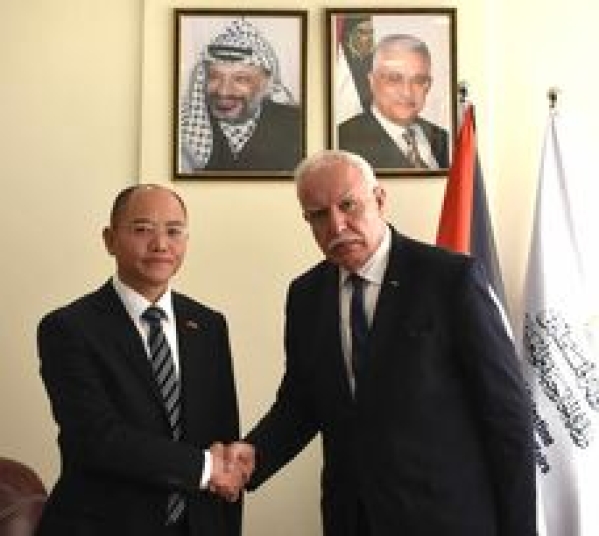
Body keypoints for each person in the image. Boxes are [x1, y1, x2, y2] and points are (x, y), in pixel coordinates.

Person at [225, 150, 538, 535]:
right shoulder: (306, 295)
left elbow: (507, 416)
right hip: (352, 520)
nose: (336, 225)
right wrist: (251, 457)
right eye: (318, 215)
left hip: (447, 519)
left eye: (348, 205)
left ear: (380, 199)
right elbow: (301, 403)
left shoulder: (450, 280)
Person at [36, 185, 245, 535]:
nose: (161, 244)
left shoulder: (209, 325)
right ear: (110, 239)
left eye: (174, 231)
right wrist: (206, 467)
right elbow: (97, 438)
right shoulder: (68, 328)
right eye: (142, 229)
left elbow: (222, 435)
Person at [180, 18, 302, 173]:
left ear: (267, 84)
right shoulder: (183, 127)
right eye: (214, 76)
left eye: (240, 79)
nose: (223, 91)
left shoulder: (298, 126)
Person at [338, 34, 449, 170]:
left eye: (418, 80)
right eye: (394, 79)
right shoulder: (343, 141)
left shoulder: (445, 139)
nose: (407, 92)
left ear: (428, 85)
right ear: (372, 81)